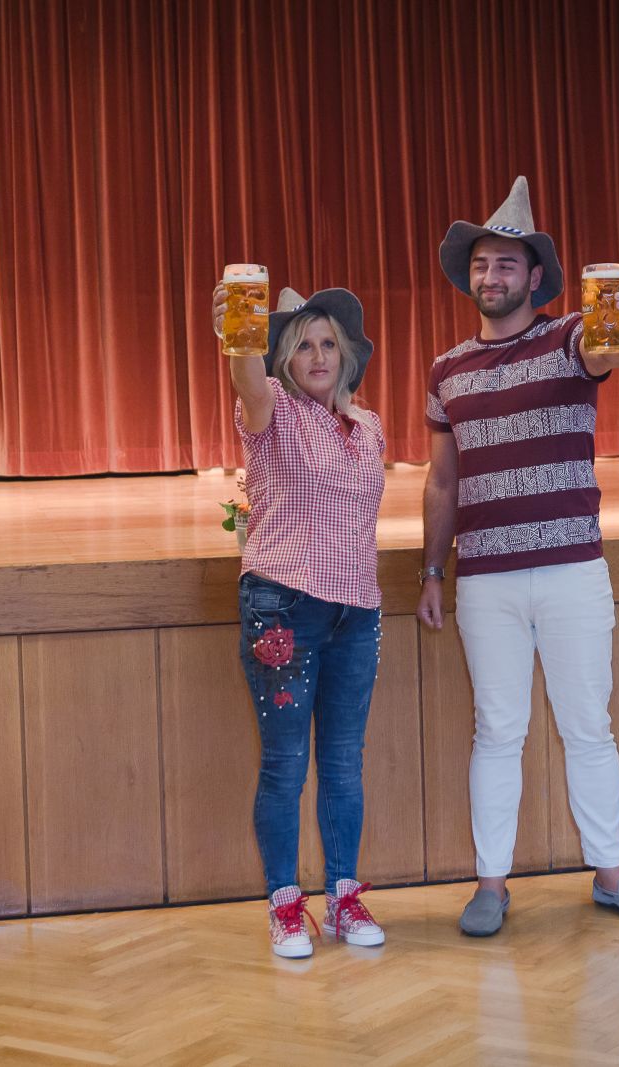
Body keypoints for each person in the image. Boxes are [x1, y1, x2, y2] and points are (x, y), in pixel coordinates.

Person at [416, 177, 619, 934]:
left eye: (506, 264)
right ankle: (490, 884)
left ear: (534, 278)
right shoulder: (445, 369)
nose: (491, 275)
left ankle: (611, 872)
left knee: (589, 726)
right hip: (484, 577)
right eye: (481, 264)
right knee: (497, 731)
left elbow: (605, 349)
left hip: (571, 568)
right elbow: (442, 480)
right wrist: (432, 569)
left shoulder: (568, 339)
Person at [212, 282, 388, 958]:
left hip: (356, 611)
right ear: (284, 358)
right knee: (286, 764)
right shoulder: (273, 409)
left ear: (345, 356)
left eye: (328, 344)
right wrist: (239, 334)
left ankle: (344, 896)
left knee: (344, 761)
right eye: (304, 344)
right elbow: (246, 379)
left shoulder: (368, 426)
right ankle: (285, 903)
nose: (318, 355)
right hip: (284, 606)